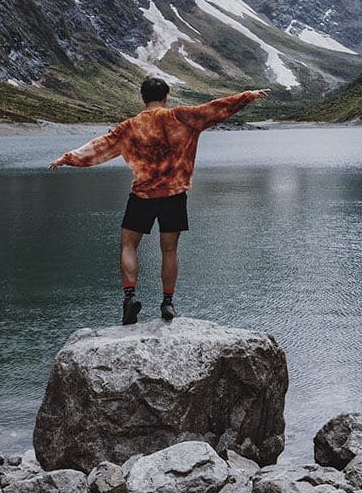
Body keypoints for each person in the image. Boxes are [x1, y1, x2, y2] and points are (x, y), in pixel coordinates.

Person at [50, 78, 268, 324]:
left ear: (143, 98)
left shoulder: (129, 127)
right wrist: (247, 95)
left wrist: (67, 158)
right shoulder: (182, 117)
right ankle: (167, 303)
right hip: (174, 195)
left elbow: (99, 147)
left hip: (142, 194)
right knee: (169, 250)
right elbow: (216, 109)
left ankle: (130, 297)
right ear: (166, 97)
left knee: (128, 245)